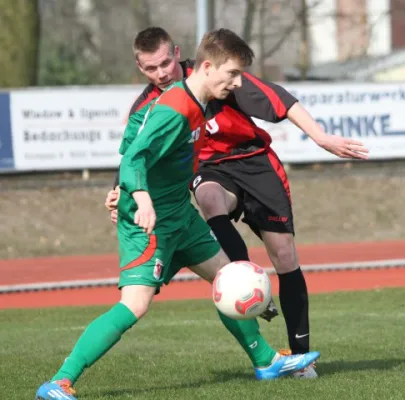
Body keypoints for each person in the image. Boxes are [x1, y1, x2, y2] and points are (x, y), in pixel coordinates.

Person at [36, 29, 320, 400]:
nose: (236, 83)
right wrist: (138, 195)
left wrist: (127, 187)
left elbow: (132, 140)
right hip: (149, 223)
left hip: (180, 215)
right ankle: (58, 382)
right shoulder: (176, 109)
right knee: (134, 306)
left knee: (227, 279)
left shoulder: (191, 102)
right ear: (206, 67)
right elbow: (134, 157)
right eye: (232, 75)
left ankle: (266, 361)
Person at [105, 27, 368, 377]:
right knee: (210, 199)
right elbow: (137, 151)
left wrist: (321, 138)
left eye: (167, 63)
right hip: (211, 169)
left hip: (254, 161)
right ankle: (245, 281)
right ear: (141, 69)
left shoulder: (217, 76)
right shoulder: (154, 103)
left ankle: (302, 357)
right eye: (152, 69)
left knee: (286, 256)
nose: (162, 73)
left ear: (179, 54)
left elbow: (281, 101)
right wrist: (118, 190)